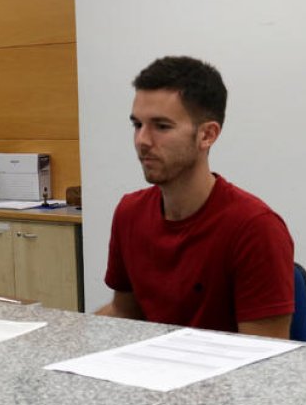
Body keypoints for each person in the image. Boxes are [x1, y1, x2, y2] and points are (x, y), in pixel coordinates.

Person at [96, 56, 295, 337]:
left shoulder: (255, 227)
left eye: (161, 126)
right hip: (151, 371)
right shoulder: (130, 212)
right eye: (137, 124)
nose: (142, 140)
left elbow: (264, 358)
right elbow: (126, 313)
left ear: (207, 135)